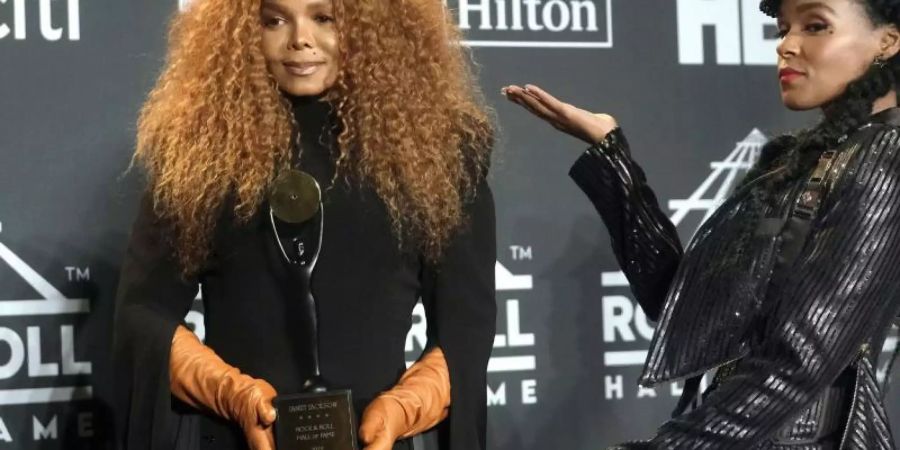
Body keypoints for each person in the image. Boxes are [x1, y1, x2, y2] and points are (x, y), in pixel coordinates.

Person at [504, 0, 900, 447]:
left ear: (887, 41)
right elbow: (681, 305)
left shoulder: (885, 157)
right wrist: (611, 157)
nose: (787, 46)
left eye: (814, 25)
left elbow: (801, 360)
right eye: (783, 30)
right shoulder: (796, 162)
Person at [112, 0, 497, 449]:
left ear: (376, 27)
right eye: (273, 20)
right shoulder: (197, 154)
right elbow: (143, 314)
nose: (300, 39)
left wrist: (401, 410)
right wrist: (234, 395)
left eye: (324, 17)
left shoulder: (442, 154)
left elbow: (465, 328)